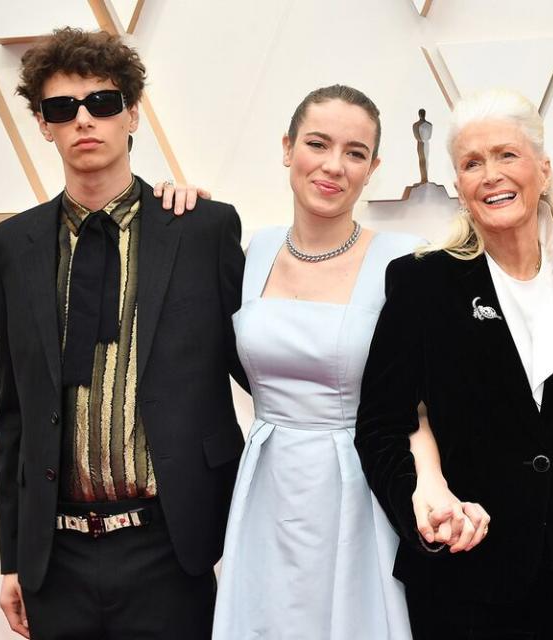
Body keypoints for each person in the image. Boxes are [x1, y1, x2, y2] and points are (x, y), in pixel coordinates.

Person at [354, 89, 553, 639]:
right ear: (458, 188)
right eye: (472, 163)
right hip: (467, 578)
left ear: (543, 170)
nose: (491, 175)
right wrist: (423, 506)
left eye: (507, 155)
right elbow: (381, 423)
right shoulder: (422, 284)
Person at [0, 28, 247, 639]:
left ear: (131, 113)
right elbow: (15, 411)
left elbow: (255, 364)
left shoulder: (202, 229)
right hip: (57, 555)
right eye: (61, 109)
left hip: (169, 541)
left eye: (102, 103)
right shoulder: (10, 247)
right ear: (43, 126)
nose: (83, 121)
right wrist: (12, 559)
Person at [209, 85, 443, 640]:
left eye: (355, 153)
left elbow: (423, 403)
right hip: (266, 483)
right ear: (288, 148)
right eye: (317, 143)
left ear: (373, 168)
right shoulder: (254, 251)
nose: (334, 166)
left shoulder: (403, 260)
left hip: (358, 484)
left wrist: (428, 483)